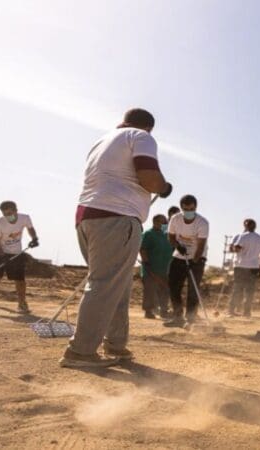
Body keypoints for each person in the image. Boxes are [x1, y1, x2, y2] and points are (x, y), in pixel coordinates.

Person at [60, 108, 172, 368]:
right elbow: (149, 178)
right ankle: (81, 351)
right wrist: (164, 187)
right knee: (105, 285)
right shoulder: (141, 136)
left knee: (117, 286)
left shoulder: (103, 141)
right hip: (117, 218)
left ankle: (116, 344)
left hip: (87, 217)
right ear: (149, 127)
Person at [164, 195, 209, 328]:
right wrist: (178, 246)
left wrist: (194, 261)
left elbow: (201, 246)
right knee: (173, 286)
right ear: (182, 208)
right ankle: (177, 317)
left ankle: (191, 319)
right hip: (179, 255)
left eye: (191, 209)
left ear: (195, 207)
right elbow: (171, 237)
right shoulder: (175, 219)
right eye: (186, 209)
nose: (188, 211)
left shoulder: (202, 223)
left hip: (197, 257)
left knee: (193, 288)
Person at [0, 201, 39, 313]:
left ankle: (22, 304)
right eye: (5, 214)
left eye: (10, 213)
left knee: (20, 280)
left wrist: (34, 238)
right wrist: (3, 256)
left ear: (16, 211)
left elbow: (30, 228)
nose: (8, 216)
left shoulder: (24, 218)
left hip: (16, 253)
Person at [227, 219, 260, 317]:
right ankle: (246, 312)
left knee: (237, 288)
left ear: (245, 226)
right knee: (250, 290)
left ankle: (231, 311)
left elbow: (237, 249)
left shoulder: (242, 236)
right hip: (254, 266)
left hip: (241, 265)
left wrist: (232, 247)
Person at [139, 214, 173, 319]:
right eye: (163, 222)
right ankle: (148, 311)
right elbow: (143, 249)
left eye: (166, 223)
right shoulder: (148, 234)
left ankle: (164, 310)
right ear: (155, 222)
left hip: (165, 269)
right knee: (150, 290)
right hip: (151, 269)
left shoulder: (167, 235)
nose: (165, 224)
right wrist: (147, 264)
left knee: (165, 290)